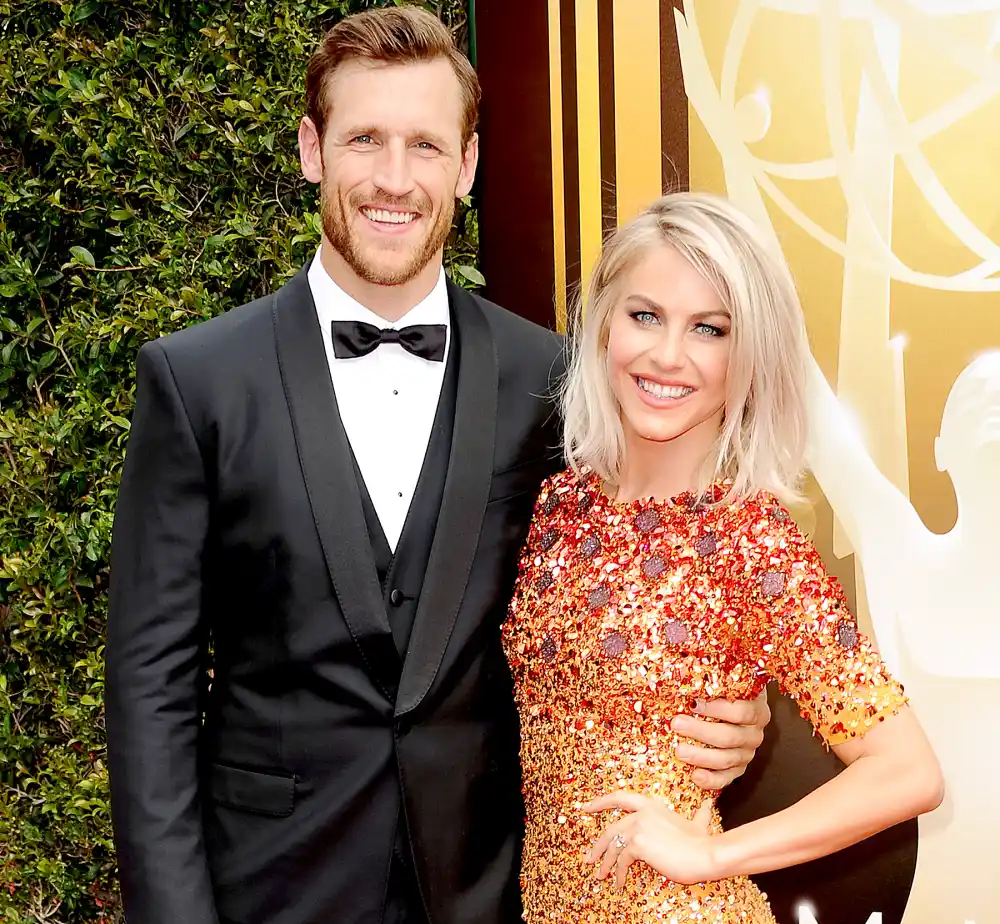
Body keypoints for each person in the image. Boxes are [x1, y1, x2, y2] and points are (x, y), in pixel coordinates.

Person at [104, 10, 771, 924]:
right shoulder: (197, 381)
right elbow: (152, 689)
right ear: (312, 150)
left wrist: (732, 704)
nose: (393, 178)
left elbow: (644, 567)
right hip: (268, 887)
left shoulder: (554, 377)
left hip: (487, 886)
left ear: (465, 165)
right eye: (364, 139)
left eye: (425, 145)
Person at [502, 192, 944, 924]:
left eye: (709, 329)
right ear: (605, 321)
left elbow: (908, 771)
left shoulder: (750, 540)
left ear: (746, 355)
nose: (667, 355)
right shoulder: (561, 503)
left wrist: (711, 857)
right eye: (645, 315)